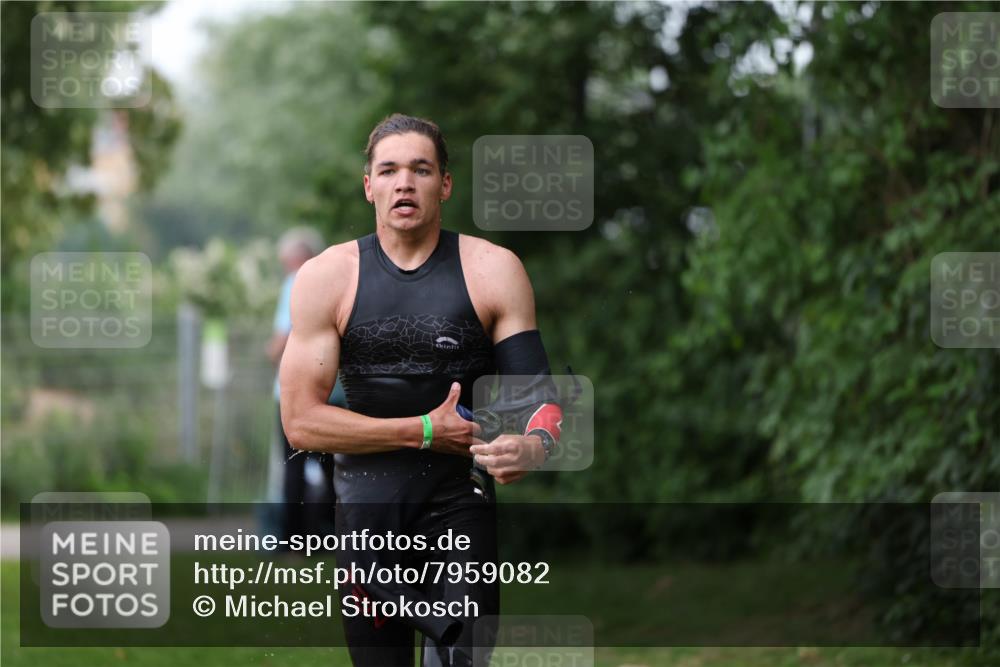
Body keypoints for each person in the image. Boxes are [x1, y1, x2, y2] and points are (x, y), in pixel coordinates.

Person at [279, 114, 563, 666]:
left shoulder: (494, 270)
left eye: (420, 169)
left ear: (445, 184)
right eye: (388, 170)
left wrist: (532, 446)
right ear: (369, 186)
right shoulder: (326, 277)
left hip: (460, 505)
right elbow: (301, 422)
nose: (403, 182)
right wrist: (427, 430)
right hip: (367, 512)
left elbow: (542, 405)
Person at [267, 226, 345, 552]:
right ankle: (328, 535)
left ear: (299, 257)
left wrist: (270, 352)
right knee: (332, 467)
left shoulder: (296, 282)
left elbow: (284, 338)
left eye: (288, 260)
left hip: (297, 393)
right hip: (336, 392)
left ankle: (294, 540)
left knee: (294, 466)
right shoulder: (337, 281)